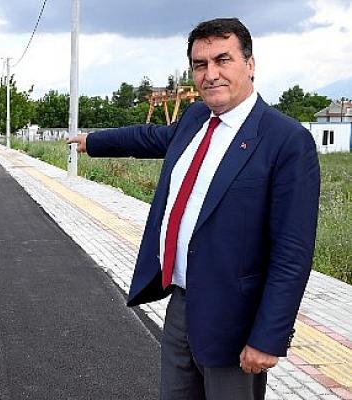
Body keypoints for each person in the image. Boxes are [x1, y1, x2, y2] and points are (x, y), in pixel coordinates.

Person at [68, 18, 319, 400]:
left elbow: (292, 253)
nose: (211, 74)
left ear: (250, 64)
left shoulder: (286, 140)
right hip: (182, 307)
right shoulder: (196, 118)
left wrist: (268, 338)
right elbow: (152, 137)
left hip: (236, 321)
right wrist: (94, 141)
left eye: (223, 60)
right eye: (200, 65)